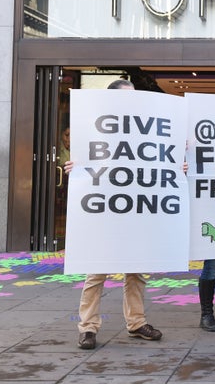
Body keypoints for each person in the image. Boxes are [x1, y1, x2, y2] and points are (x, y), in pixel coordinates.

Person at [68, 79, 163, 350]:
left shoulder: (146, 127)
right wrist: (76, 167)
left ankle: (136, 323)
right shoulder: (95, 124)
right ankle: (87, 327)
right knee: (96, 272)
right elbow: (88, 159)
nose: (132, 100)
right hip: (104, 211)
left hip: (134, 210)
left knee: (136, 272)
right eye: (126, 96)